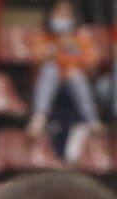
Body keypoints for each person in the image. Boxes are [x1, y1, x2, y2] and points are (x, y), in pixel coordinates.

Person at [27, 0, 102, 160]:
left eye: (66, 14)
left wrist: (72, 50)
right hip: (48, 85)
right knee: (50, 69)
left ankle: (92, 120)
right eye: (59, 13)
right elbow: (35, 59)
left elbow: (91, 63)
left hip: (74, 86)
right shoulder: (43, 35)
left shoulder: (81, 37)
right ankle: (39, 116)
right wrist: (54, 51)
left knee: (74, 74)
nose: (62, 17)